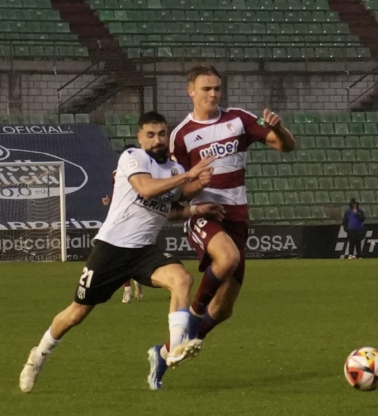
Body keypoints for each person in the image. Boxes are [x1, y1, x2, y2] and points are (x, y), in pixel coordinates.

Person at [18, 112, 218, 393]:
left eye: (162, 134)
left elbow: (168, 208)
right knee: (76, 313)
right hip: (111, 249)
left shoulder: (173, 169)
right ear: (140, 137)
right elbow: (147, 190)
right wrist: (189, 176)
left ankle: (175, 347)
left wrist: (197, 200)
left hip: (144, 251)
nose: (157, 140)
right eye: (151, 134)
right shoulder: (133, 157)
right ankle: (37, 356)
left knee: (182, 280)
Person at [146, 64, 296, 390]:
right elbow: (176, 190)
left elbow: (286, 146)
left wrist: (279, 129)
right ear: (191, 91)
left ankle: (165, 353)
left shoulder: (239, 119)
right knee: (227, 259)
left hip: (237, 215)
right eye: (206, 89)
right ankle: (189, 318)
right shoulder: (182, 135)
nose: (213, 94)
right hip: (204, 214)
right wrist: (195, 185)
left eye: (216, 88)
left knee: (225, 308)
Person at [102, 144, 144, 303]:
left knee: (130, 254)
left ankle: (135, 281)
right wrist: (109, 200)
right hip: (121, 219)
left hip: (137, 218)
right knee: (122, 255)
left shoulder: (145, 173)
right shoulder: (116, 174)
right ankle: (128, 289)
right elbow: (119, 194)